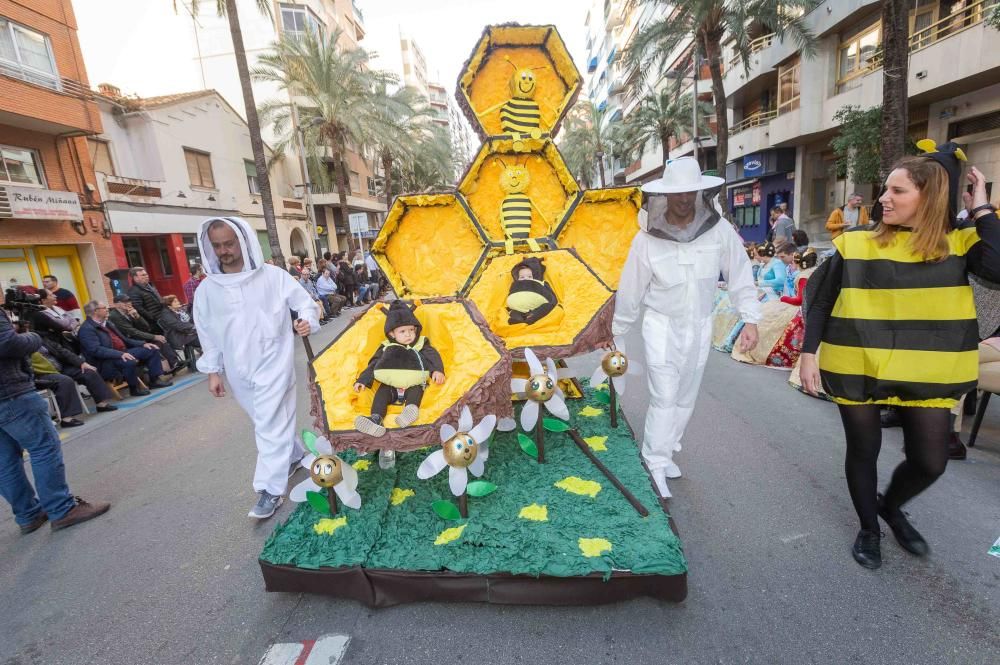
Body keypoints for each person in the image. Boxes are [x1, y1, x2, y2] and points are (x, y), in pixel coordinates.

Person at [799, 145, 1000, 570]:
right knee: (863, 449)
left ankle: (890, 506)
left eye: (898, 190)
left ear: (928, 198)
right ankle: (869, 528)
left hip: (929, 368)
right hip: (859, 361)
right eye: (885, 189)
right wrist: (807, 353)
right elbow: (820, 299)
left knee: (931, 461)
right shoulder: (856, 242)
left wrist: (981, 208)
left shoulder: (960, 243)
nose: (883, 198)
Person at [613, 157, 760, 498]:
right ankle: (654, 462)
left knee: (684, 399)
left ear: (699, 192)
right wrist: (617, 331)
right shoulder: (647, 239)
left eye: (689, 192)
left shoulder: (719, 230)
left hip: (700, 325)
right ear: (664, 195)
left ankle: (667, 449)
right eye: (676, 192)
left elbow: (739, 273)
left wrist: (749, 318)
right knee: (664, 397)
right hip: (661, 326)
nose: (683, 199)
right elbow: (631, 288)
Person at [193, 216, 320, 520]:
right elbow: (206, 332)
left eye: (229, 243)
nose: (224, 250)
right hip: (238, 371)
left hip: (274, 361)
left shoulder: (273, 276)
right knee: (265, 421)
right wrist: (213, 372)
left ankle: (269, 489)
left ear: (243, 241)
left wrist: (306, 321)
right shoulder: (207, 290)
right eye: (218, 245)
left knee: (268, 423)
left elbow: (305, 303)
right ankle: (293, 456)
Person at [0, 307, 111, 534]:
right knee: (44, 448)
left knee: (5, 460)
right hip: (11, 393)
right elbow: (7, 343)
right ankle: (62, 509)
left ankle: (28, 514)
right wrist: (32, 336)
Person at [353, 301, 445, 468]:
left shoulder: (421, 343)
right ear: (392, 334)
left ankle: (410, 410)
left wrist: (437, 371)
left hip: (412, 383)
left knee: (417, 388)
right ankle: (375, 419)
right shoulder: (387, 347)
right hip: (392, 386)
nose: (409, 334)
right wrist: (363, 380)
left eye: (412, 329)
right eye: (403, 331)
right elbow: (373, 363)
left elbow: (433, 357)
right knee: (382, 392)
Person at [78, 301, 172, 397]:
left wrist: (143, 344)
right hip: (105, 362)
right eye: (104, 308)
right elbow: (96, 350)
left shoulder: (107, 323)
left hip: (121, 352)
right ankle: (134, 388)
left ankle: (155, 380)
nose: (107, 309)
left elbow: (124, 339)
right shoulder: (86, 329)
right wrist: (120, 354)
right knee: (128, 360)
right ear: (95, 311)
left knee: (151, 349)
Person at [108, 294, 181, 371]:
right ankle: (158, 372)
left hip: (137, 337)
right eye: (124, 302)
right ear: (116, 304)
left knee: (161, 339)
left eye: (129, 301)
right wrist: (153, 336)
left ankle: (174, 363)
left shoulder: (130, 311)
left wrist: (137, 316)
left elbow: (146, 327)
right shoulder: (114, 316)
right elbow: (132, 332)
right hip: (128, 342)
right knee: (153, 345)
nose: (128, 303)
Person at [506, 256, 559, 325]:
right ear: (517, 278)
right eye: (522, 277)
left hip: (536, 308)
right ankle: (518, 320)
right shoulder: (516, 284)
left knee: (547, 306)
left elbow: (551, 296)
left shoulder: (540, 283)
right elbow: (511, 293)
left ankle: (531, 317)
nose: (526, 279)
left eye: (529, 277)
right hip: (519, 307)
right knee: (514, 312)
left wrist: (552, 302)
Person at [157, 295, 201, 369]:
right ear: (169, 305)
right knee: (202, 339)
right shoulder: (166, 314)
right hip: (178, 337)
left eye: (177, 300)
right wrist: (193, 327)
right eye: (175, 301)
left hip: (186, 333)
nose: (178, 302)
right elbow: (178, 325)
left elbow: (189, 320)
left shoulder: (179, 310)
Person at [127, 267, 166, 332]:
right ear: (135, 278)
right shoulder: (133, 291)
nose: (146, 276)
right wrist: (152, 317)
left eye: (146, 274)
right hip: (154, 323)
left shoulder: (150, 286)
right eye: (143, 275)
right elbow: (139, 308)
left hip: (163, 318)